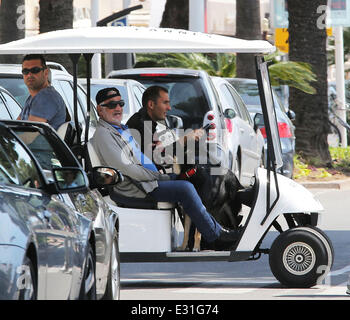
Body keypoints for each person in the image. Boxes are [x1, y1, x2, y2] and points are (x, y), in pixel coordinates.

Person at [91, 87, 240, 248]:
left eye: (120, 103)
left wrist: (162, 157)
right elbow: (129, 170)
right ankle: (215, 236)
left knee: (198, 177)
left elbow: (143, 155)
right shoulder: (104, 135)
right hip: (136, 187)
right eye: (112, 105)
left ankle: (206, 234)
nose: (118, 108)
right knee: (185, 188)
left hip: (147, 181)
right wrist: (159, 176)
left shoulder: (120, 129)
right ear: (100, 109)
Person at [126, 85, 204, 168]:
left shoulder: (146, 121)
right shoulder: (141, 124)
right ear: (151, 104)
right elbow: (156, 158)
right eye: (165, 103)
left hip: (150, 175)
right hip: (148, 178)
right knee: (187, 180)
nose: (169, 108)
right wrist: (186, 139)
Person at [17, 54, 66, 130]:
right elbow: (16, 126)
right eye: (25, 71)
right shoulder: (32, 98)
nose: (29, 75)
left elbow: (29, 134)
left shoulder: (46, 97)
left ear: (46, 72)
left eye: (35, 70)